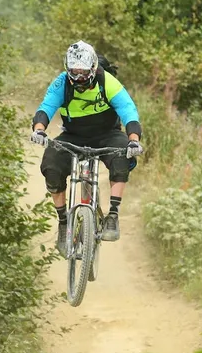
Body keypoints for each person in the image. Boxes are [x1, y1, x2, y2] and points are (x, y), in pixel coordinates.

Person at [30, 40, 144, 256]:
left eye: (83, 73)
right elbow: (46, 107)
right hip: (73, 135)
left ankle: (113, 215)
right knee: (51, 166)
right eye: (74, 72)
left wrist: (133, 140)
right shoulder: (61, 83)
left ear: (93, 69)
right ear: (67, 69)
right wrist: (39, 130)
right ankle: (64, 223)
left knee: (122, 158)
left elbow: (128, 110)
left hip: (107, 134)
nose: (79, 78)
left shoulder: (107, 81)